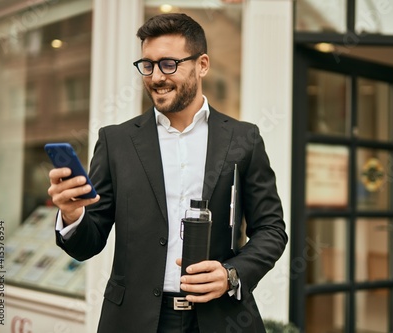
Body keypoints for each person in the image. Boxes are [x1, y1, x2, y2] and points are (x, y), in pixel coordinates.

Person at [47, 13, 287, 333]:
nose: (156, 76)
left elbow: (272, 229)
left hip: (221, 318)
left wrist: (232, 274)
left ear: (202, 64)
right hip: (134, 320)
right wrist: (72, 215)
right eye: (148, 65)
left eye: (169, 64)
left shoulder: (245, 139)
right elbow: (88, 243)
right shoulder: (115, 141)